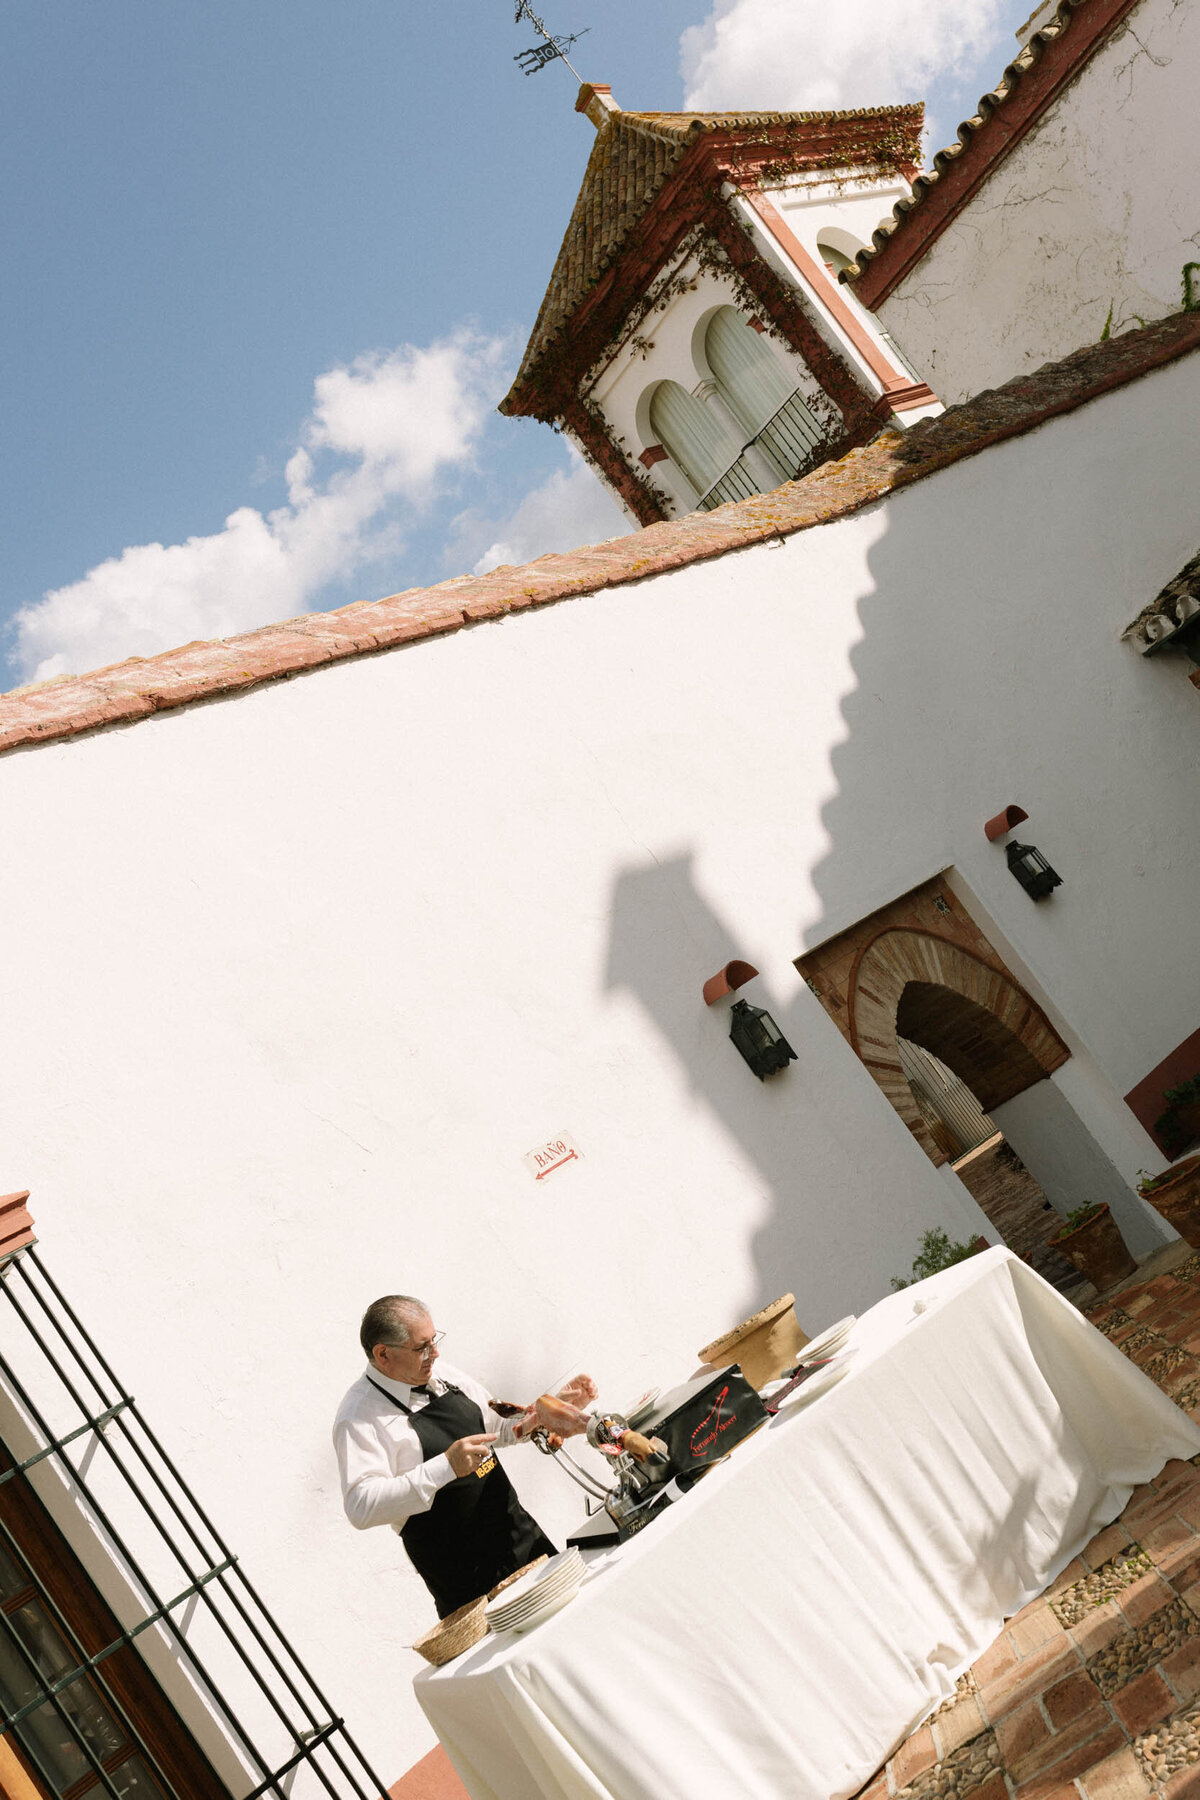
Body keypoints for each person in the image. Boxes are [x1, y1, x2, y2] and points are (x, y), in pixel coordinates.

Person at [333, 1294, 596, 1618]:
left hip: (526, 1545)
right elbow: (360, 1506)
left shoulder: (442, 1374)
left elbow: (498, 1429)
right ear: (383, 1354)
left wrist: (547, 1414)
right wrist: (445, 1467)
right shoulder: (359, 1417)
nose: (435, 1353)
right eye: (422, 1347)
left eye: (434, 1340)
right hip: (470, 1591)